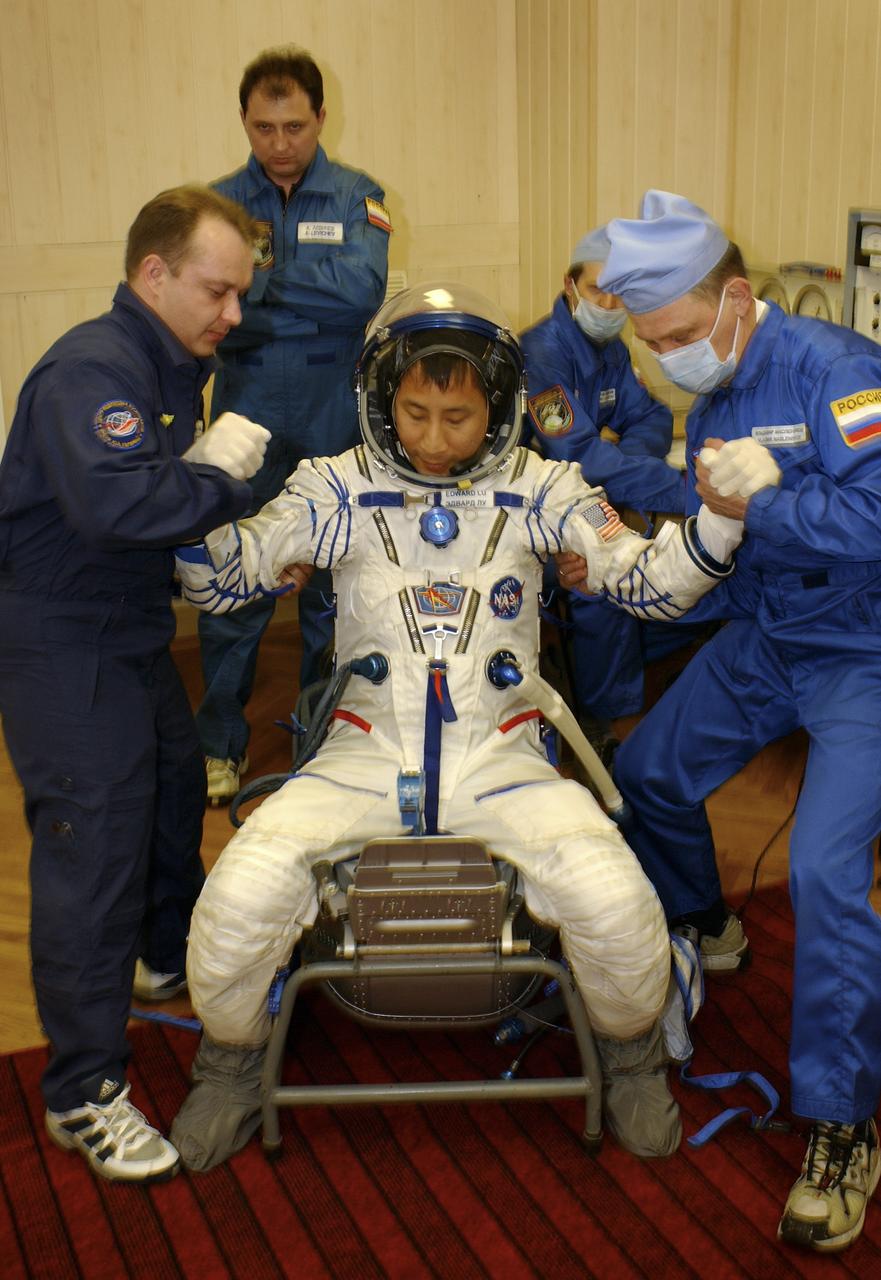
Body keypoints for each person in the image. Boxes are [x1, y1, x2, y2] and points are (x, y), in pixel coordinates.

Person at [168, 281, 744, 1172]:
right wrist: (197, 495)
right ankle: (232, 1066)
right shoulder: (333, 487)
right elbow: (219, 582)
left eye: (459, 416)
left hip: (502, 760)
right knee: (238, 902)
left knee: (616, 904)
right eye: (415, 413)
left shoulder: (543, 487)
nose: (435, 441)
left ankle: (631, 1059)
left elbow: (649, 584)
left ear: (500, 409)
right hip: (361, 758)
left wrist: (718, 519)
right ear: (379, 403)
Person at [595, 190, 881, 1252]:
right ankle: (705, 924)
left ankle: (842, 1122)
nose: (670, 361)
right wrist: (626, 576)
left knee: (817, 871)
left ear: (734, 299)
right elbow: (724, 538)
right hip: (764, 633)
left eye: (679, 336)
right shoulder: (713, 394)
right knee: (648, 774)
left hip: (860, 648)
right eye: (650, 342)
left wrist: (769, 498)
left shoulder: (834, 371)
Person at [0, 184, 272, 1183]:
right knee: (93, 851)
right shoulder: (93, 369)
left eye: (240, 293)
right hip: (61, 641)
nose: (232, 313)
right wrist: (222, 475)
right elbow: (122, 506)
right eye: (216, 290)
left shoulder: (167, 364)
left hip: (127, 632)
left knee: (167, 793)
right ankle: (82, 1090)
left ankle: (161, 959)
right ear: (151, 274)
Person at [196, 44, 391, 806]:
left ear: (319, 119)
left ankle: (324, 733)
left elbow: (364, 292)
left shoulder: (356, 194)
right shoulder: (211, 206)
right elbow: (215, 314)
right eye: (263, 127)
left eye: (294, 126)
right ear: (244, 122)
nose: (279, 143)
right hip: (245, 409)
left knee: (333, 590)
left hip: (331, 411)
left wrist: (262, 279)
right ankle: (219, 745)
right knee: (235, 583)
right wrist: (304, 293)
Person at [521, 226, 694, 756]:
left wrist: (620, 462)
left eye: (621, 292)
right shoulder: (541, 353)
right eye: (598, 290)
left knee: (670, 551)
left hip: (596, 498)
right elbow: (575, 454)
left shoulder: (612, 348)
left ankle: (633, 666)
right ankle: (604, 715)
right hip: (537, 515)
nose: (610, 303)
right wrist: (681, 491)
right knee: (594, 573)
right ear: (569, 286)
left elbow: (654, 416)